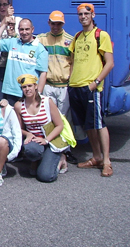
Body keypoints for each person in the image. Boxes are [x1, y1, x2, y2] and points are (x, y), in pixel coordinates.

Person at [68, 3, 114, 177]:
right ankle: (96, 157)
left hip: (91, 88)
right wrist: (70, 81)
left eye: (86, 14)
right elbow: (72, 61)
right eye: (80, 14)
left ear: (93, 15)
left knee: (99, 124)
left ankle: (107, 161)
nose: (83, 17)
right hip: (76, 87)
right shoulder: (78, 37)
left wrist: (96, 82)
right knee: (89, 125)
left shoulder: (101, 35)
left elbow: (109, 63)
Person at [37, 10, 77, 165]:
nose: (55, 26)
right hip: (48, 85)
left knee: (64, 120)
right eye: (53, 23)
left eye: (59, 23)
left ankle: (64, 153)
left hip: (64, 86)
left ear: (63, 24)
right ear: (49, 23)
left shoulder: (70, 40)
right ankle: (52, 150)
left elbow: (73, 63)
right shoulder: (41, 39)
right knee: (49, 120)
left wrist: (71, 81)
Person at [14, 74, 67, 182]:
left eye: (30, 86)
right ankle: (37, 160)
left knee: (45, 176)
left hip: (51, 140)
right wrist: (27, 134)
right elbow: (19, 129)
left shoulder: (47, 101)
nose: (27, 89)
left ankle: (61, 160)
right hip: (35, 140)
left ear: (36, 86)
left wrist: (46, 140)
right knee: (30, 150)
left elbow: (60, 125)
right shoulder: (19, 106)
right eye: (24, 87)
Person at [0, 18, 48, 105]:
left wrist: (38, 94)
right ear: (18, 30)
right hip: (10, 92)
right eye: (21, 29)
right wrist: (4, 25)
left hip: (29, 93)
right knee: (11, 118)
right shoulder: (13, 42)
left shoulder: (40, 48)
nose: (24, 32)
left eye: (27, 29)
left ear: (32, 29)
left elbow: (43, 73)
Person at [0, 0, 22, 97]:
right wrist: (5, 20)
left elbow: (23, 38)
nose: (2, 7)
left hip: (14, 64)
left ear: (9, 6)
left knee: (13, 96)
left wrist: (14, 32)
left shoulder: (19, 20)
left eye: (5, 5)